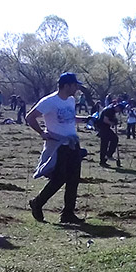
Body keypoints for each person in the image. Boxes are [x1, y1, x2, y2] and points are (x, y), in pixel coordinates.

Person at [25, 73, 88, 224]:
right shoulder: (50, 101)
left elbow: (70, 118)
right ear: (66, 86)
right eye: (74, 85)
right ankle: (37, 203)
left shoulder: (71, 100)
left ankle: (68, 214)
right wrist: (42, 133)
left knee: (74, 179)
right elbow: (30, 117)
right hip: (59, 145)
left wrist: (87, 119)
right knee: (59, 179)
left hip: (73, 144)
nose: (77, 88)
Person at [96, 100, 121, 167]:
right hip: (103, 127)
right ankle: (108, 155)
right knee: (114, 139)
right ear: (117, 107)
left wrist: (114, 121)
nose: (118, 111)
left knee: (105, 143)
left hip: (105, 128)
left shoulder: (112, 110)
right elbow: (105, 120)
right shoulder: (110, 110)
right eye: (119, 109)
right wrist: (112, 123)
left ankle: (103, 160)